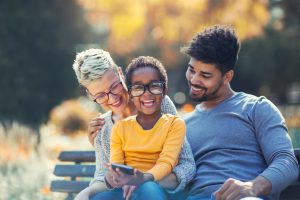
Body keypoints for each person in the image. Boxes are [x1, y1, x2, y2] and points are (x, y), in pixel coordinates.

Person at [181, 25, 299, 200]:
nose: (194, 80)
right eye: (191, 70)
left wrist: (252, 187)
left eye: (205, 75)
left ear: (227, 76)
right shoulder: (182, 125)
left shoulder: (256, 108)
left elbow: (287, 162)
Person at [72, 49, 195, 200]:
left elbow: (186, 165)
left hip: (158, 191)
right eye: (101, 95)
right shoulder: (102, 128)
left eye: (114, 87)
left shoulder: (157, 103)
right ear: (91, 95)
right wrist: (87, 192)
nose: (112, 99)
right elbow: (103, 176)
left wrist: (145, 181)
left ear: (120, 73)